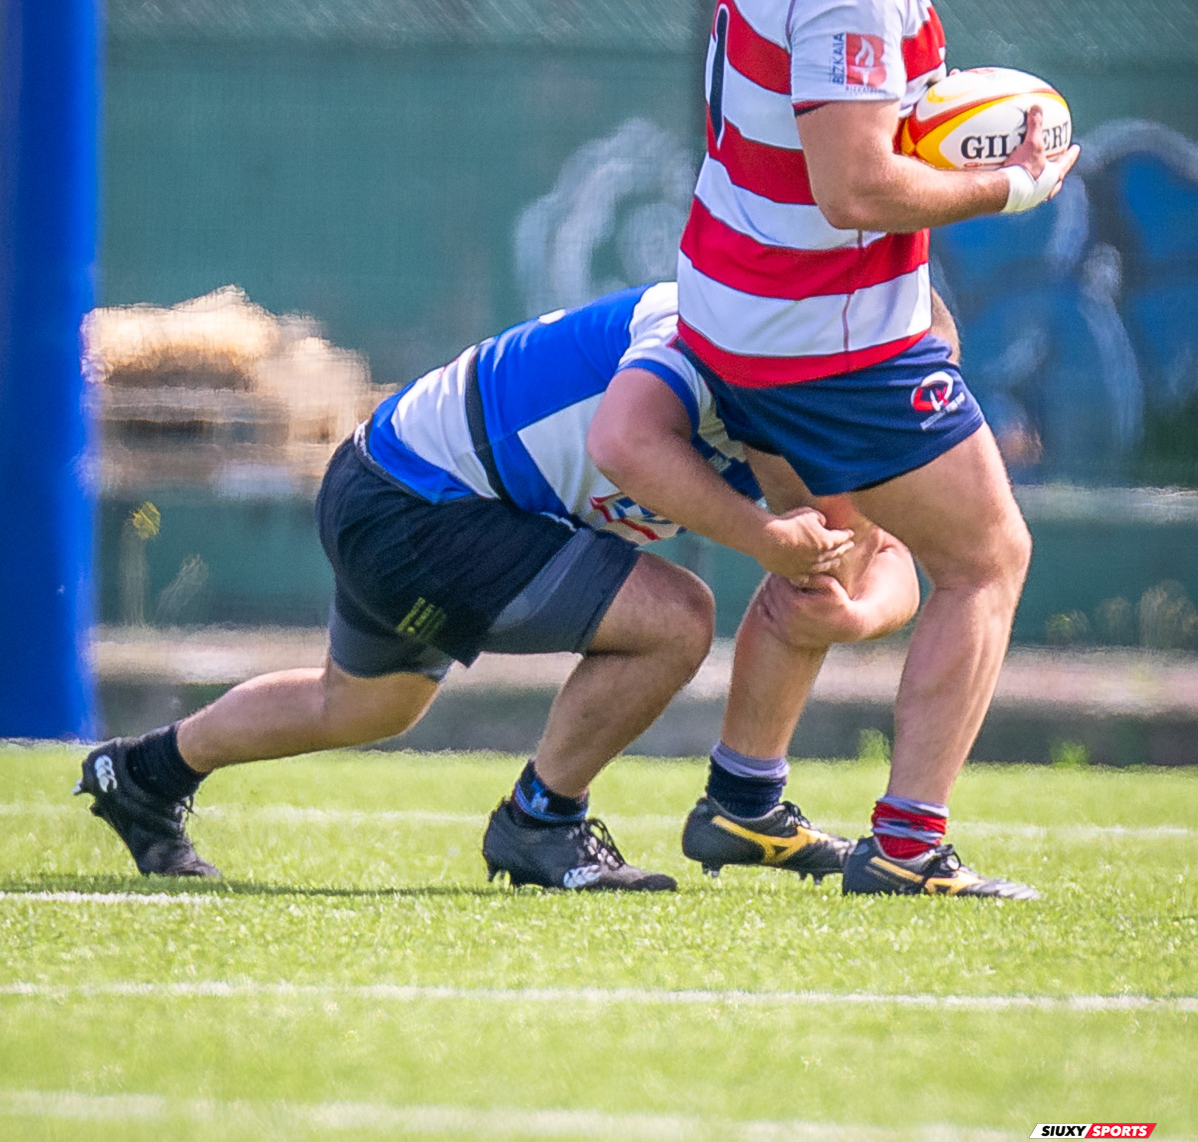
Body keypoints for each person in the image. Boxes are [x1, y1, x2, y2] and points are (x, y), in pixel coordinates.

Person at [78, 282, 898, 893]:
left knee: (363, 706)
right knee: (678, 618)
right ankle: (543, 821)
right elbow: (625, 444)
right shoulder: (704, 336)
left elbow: (898, 553)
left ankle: (144, 774)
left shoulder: (803, 390)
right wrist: (769, 538)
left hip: (392, 482)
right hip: (417, 503)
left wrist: (857, 613)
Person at [675, 0, 1080, 899]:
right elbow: (853, 188)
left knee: (832, 556)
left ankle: (743, 800)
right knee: (986, 559)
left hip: (738, 310)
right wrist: (1006, 187)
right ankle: (907, 846)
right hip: (824, 341)